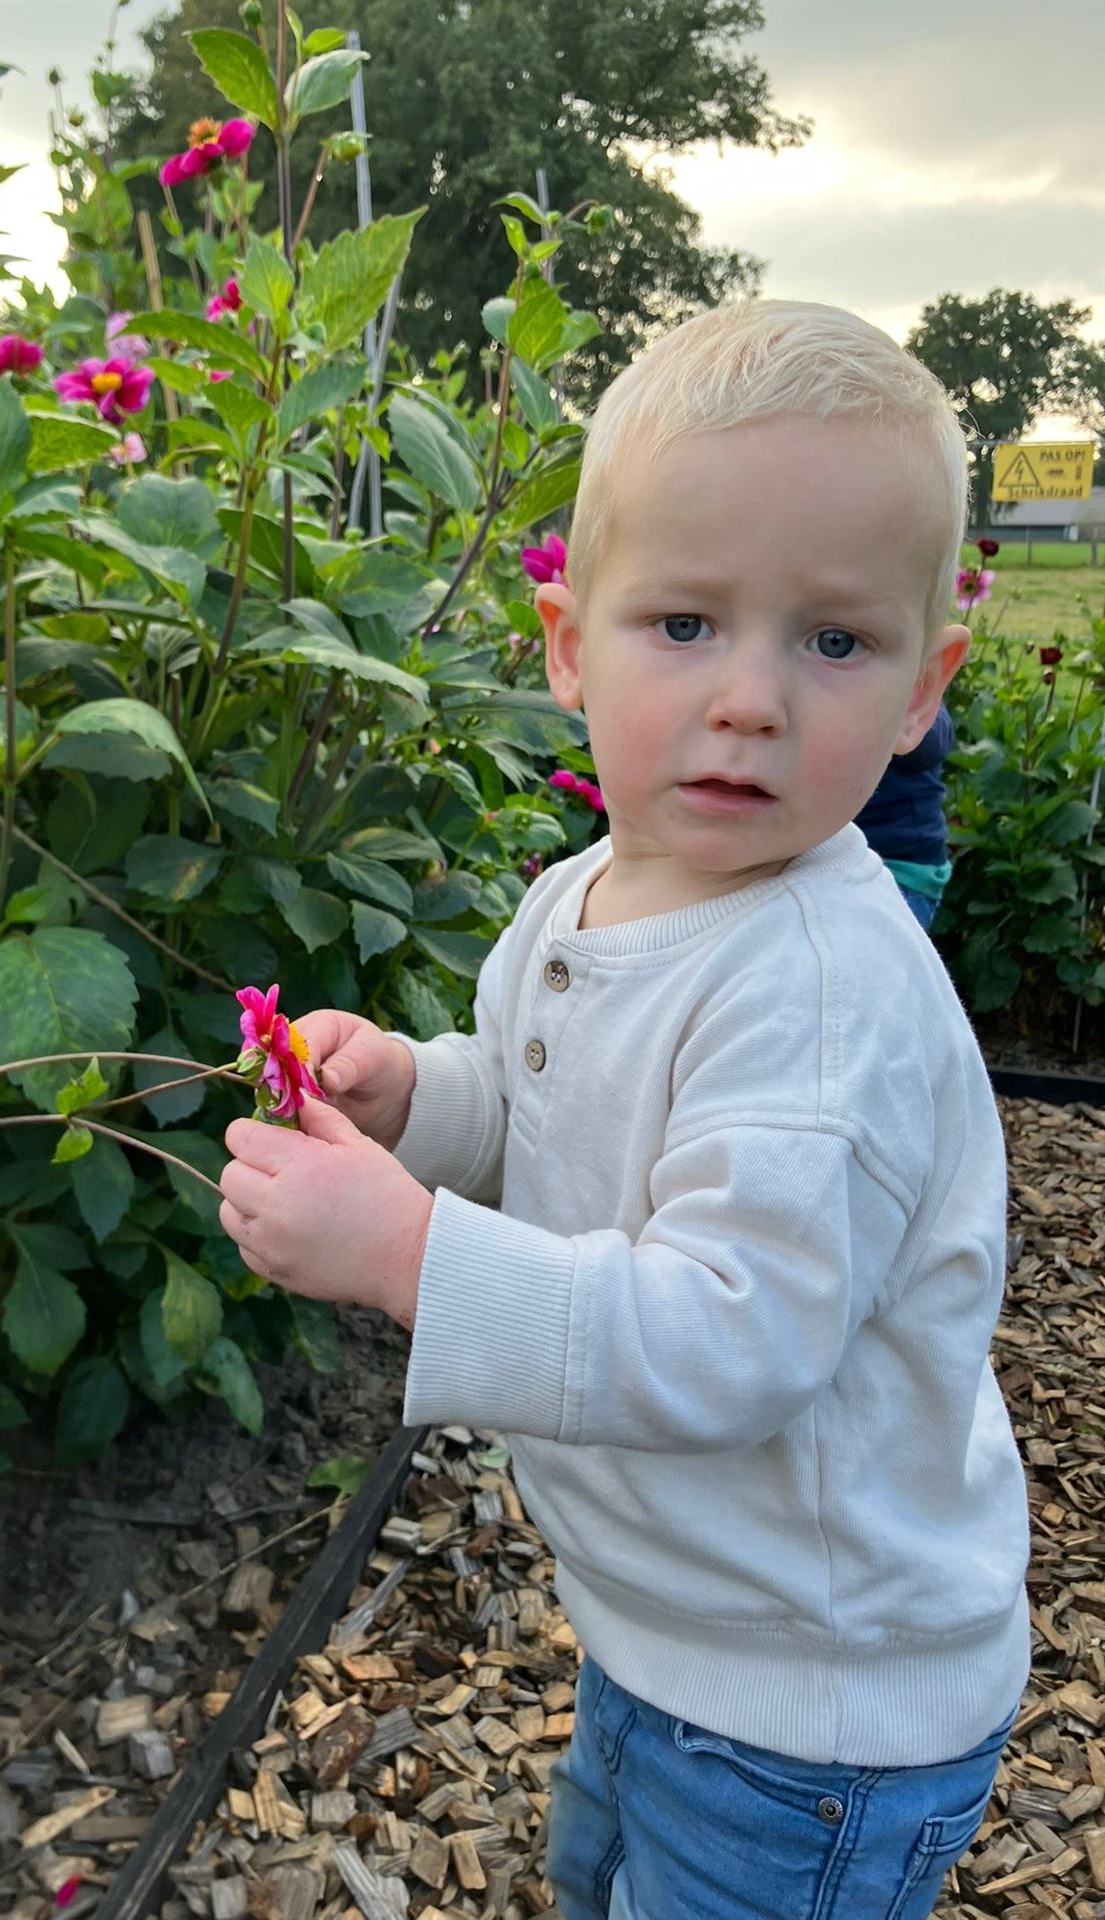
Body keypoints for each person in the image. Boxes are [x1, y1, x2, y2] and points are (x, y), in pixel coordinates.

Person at [216, 300, 1030, 1920]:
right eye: (685, 623)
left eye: (834, 642)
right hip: (676, 1631)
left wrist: (412, 1257)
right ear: (568, 642)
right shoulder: (589, 890)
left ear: (923, 688)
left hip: (816, 1711)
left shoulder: (822, 998)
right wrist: (415, 1097)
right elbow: (534, 1092)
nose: (751, 698)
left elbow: (733, 1336)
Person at [856, 702, 956, 929]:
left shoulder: (916, 700)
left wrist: (893, 710)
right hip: (838, 863)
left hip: (901, 870)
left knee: (868, 947)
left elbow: (932, 745)